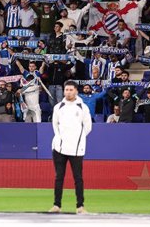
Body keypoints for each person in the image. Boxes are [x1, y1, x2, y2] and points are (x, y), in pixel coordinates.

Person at [50, 80, 92, 215]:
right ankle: (57, 205)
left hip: (77, 148)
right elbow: (55, 125)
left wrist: (78, 139)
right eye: (66, 90)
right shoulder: (58, 107)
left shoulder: (83, 107)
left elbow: (88, 127)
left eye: (71, 90)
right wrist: (60, 139)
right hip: (59, 148)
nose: (68, 92)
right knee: (59, 177)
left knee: (78, 178)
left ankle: (80, 206)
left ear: (76, 91)